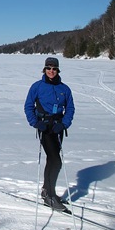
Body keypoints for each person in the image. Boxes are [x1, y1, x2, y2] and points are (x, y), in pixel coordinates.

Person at [24, 57, 75, 212]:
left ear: (58, 70)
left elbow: (70, 108)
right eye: (48, 68)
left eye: (54, 69)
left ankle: (48, 190)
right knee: (55, 160)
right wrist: (35, 122)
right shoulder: (37, 87)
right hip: (44, 127)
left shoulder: (64, 89)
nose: (51, 71)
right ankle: (49, 195)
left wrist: (64, 124)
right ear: (44, 70)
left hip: (58, 127)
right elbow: (28, 106)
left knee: (53, 161)